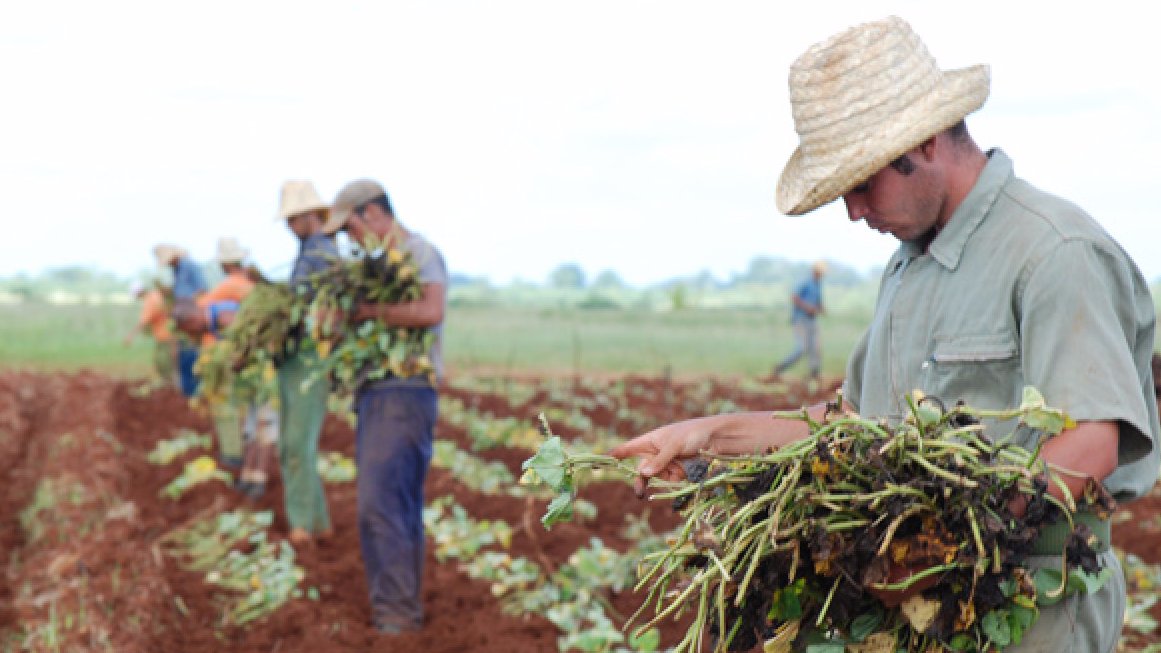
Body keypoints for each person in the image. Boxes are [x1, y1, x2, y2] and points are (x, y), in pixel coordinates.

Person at [610, 16, 1159, 653]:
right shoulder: (908, 264)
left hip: (1030, 608)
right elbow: (852, 426)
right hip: (917, 609)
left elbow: (1090, 443)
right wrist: (713, 436)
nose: (853, 212)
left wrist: (940, 550)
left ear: (924, 143)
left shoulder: (1053, 251)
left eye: (863, 184)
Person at [320, 179, 447, 635]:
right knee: (398, 505)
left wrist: (369, 312)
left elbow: (432, 311)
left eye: (350, 228)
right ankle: (401, 613)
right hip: (381, 393)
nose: (350, 239)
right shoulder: (376, 268)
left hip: (404, 391)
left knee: (381, 506)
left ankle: (396, 619)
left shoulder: (419, 253)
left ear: (372, 214)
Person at [275, 180, 337, 546]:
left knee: (297, 445)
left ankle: (301, 526)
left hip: (309, 359)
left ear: (309, 215)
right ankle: (319, 522)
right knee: (294, 444)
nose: (289, 226)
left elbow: (305, 310)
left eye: (292, 219)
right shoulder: (309, 251)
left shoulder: (322, 254)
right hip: (297, 359)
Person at [155, 244, 208, 397]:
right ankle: (188, 398)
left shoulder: (190, 266)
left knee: (191, 359)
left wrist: (189, 312)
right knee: (183, 359)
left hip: (192, 321)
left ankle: (194, 397)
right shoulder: (176, 270)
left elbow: (201, 291)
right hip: (183, 322)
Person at [772, 260, 826, 380]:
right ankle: (780, 367)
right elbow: (794, 297)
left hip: (812, 320)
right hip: (801, 319)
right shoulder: (805, 282)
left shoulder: (818, 284)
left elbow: (819, 302)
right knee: (802, 348)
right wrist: (807, 307)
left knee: (816, 347)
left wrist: (821, 308)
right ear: (815, 271)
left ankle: (814, 374)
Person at [124, 279, 177, 388]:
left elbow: (143, 323)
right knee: (166, 360)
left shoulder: (149, 302)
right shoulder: (156, 294)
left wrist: (130, 336)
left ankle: (169, 385)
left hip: (164, 336)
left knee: (163, 361)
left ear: (138, 293)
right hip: (171, 334)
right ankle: (169, 384)